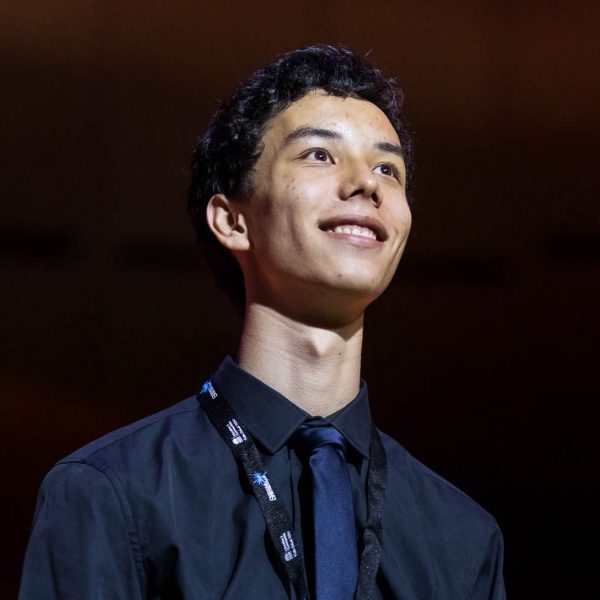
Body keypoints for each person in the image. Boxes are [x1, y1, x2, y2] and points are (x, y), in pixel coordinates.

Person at [19, 45, 506, 599]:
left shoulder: (463, 538)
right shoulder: (111, 496)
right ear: (233, 221)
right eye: (320, 154)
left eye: (386, 168)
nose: (367, 185)